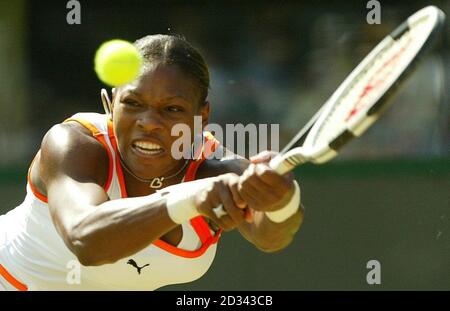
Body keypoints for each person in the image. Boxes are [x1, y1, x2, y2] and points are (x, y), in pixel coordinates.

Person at [0, 34, 303, 291]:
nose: (149, 123)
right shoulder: (74, 144)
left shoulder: (218, 168)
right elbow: (86, 240)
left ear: (202, 117)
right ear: (109, 104)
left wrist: (283, 201)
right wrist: (189, 199)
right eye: (132, 104)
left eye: (172, 109)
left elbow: (270, 236)